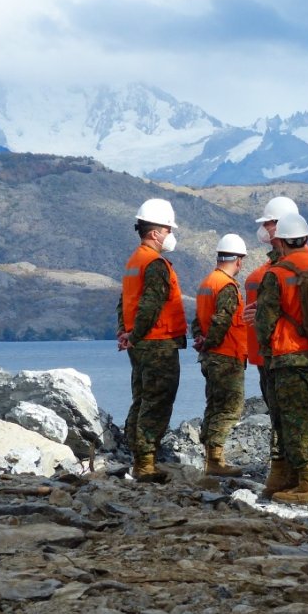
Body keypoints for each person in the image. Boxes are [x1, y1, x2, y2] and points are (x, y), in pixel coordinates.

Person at [255, 213, 308, 506]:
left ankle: (306, 484)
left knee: (296, 423)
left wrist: (268, 348)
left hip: (290, 359)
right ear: (306, 238)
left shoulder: (276, 274)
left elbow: (264, 322)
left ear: (283, 242)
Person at [117, 198, 188, 483]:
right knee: (157, 401)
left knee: (141, 398)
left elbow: (124, 302)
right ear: (156, 232)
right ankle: (145, 463)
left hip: (140, 343)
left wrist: (126, 332)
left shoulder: (134, 261)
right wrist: (135, 333)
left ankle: (136, 455)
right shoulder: (155, 264)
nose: (170, 235)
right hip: (157, 342)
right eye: (168, 229)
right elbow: (150, 305)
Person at [243, 196, 300, 498]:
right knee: (279, 416)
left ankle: (297, 479)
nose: (266, 229)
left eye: (269, 223)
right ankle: (283, 476)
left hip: (288, 354)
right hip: (271, 355)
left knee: (290, 417)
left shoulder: (291, 269)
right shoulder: (268, 271)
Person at [192, 233, 249, 477]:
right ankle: (215, 460)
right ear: (238, 260)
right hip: (225, 355)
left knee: (213, 405)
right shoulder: (226, 286)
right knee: (229, 408)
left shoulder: (207, 283)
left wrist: (200, 340)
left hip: (211, 357)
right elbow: (222, 320)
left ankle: (211, 458)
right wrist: (210, 342)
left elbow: (197, 320)